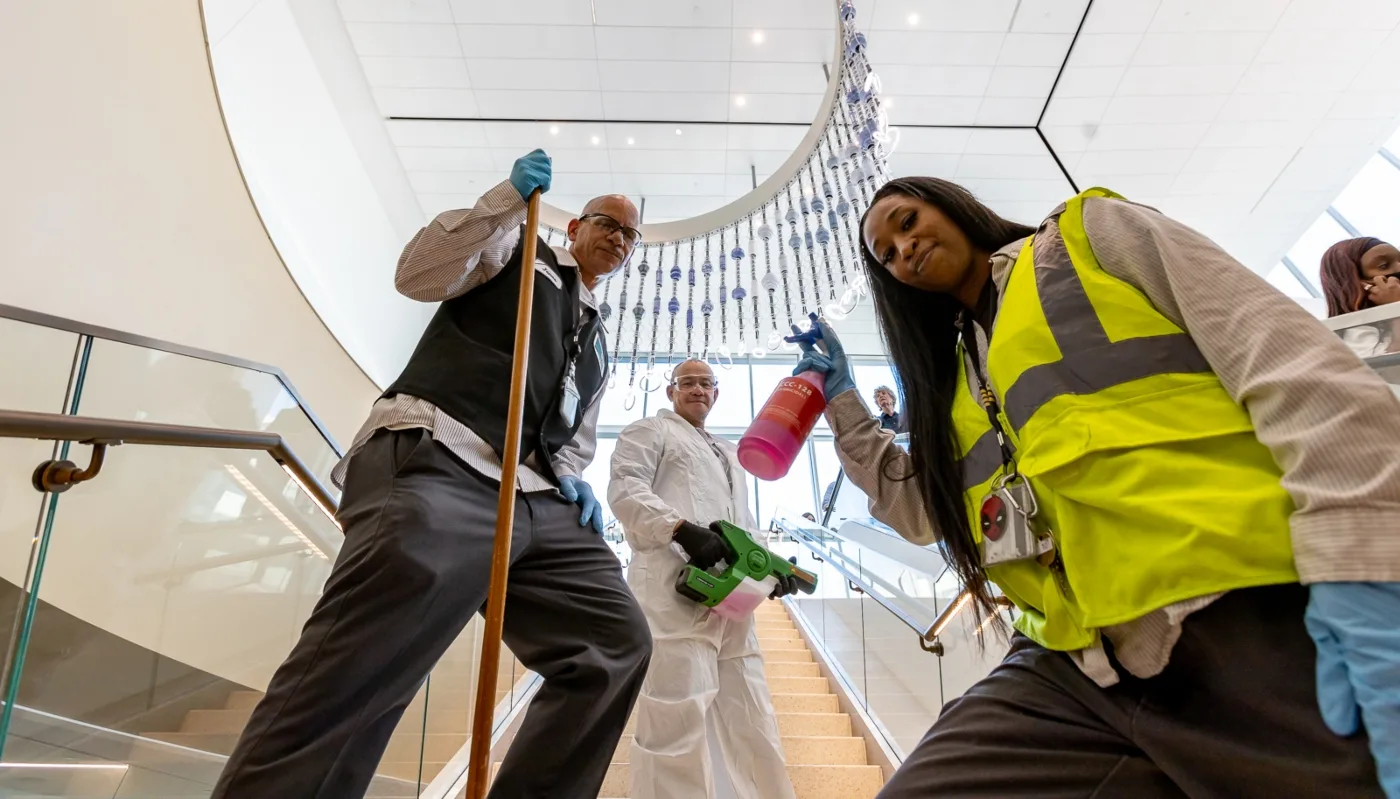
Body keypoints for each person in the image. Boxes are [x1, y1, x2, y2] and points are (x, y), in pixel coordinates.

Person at [789, 178, 1399, 797]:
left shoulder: (1088, 238)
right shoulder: (951, 383)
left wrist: (1364, 561)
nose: (903, 248)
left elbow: (1287, 361)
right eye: (886, 256)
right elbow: (917, 511)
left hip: (1238, 604)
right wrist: (841, 397)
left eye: (906, 220)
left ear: (950, 205)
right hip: (1075, 666)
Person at [210, 150, 653, 798]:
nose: (618, 237)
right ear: (573, 229)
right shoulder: (516, 250)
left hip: (538, 500)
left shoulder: (600, 345)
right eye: (606, 222)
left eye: (628, 234)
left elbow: (574, 438)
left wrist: (571, 477)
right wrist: (503, 198)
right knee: (380, 634)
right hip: (444, 457)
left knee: (615, 645)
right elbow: (417, 274)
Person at [609, 358, 798, 799]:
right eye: (688, 382)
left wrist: (771, 571)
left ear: (716, 393)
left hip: (734, 600)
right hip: (672, 588)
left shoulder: (730, 452)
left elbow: (743, 524)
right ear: (671, 390)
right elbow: (624, 488)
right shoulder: (649, 431)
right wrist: (678, 528)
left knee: (754, 718)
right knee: (676, 714)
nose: (698, 389)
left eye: (706, 383)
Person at [1320, 236, 1400, 358]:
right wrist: (1395, 308)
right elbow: (1388, 369)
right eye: (1384, 266)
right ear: (1359, 282)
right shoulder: (1356, 334)